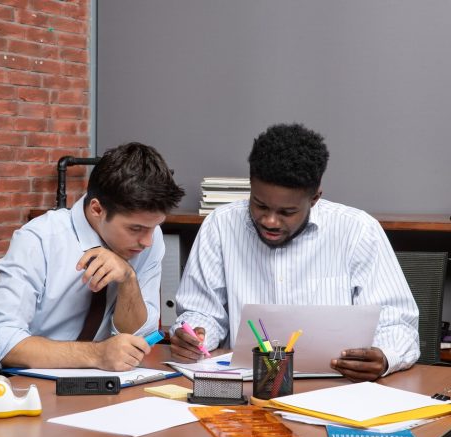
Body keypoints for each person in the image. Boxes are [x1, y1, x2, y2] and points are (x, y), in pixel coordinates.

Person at [170, 123, 419, 382]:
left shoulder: (358, 230)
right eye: (259, 204)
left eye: (287, 212)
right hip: (249, 391)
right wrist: (196, 335)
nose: (270, 221)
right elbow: (202, 312)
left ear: (314, 198)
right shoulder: (220, 226)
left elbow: (398, 324)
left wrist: (384, 355)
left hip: (337, 389)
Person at [0, 142, 184, 385]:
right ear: (97, 210)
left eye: (154, 227)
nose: (147, 241)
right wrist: (98, 354)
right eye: (135, 228)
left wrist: (128, 279)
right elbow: (2, 343)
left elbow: (136, 340)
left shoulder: (148, 241)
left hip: (96, 381)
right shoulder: (39, 239)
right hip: (15, 381)